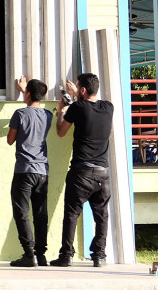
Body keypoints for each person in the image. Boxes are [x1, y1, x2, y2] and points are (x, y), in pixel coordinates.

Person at [50, 73, 113, 268]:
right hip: (102, 173)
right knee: (101, 216)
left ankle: (66, 255)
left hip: (81, 172)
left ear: (83, 90)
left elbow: (61, 132)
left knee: (71, 214)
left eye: (78, 87)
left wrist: (61, 112)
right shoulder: (108, 107)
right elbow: (89, 108)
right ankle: (99, 256)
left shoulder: (77, 108)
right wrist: (77, 95)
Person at [7, 76, 53, 267]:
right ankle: (41, 254)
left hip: (24, 170)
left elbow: (10, 140)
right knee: (41, 213)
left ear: (27, 93)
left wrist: (22, 94)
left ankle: (29, 253)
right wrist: (26, 93)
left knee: (22, 213)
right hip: (42, 171)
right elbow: (34, 112)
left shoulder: (19, 114)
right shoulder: (48, 115)